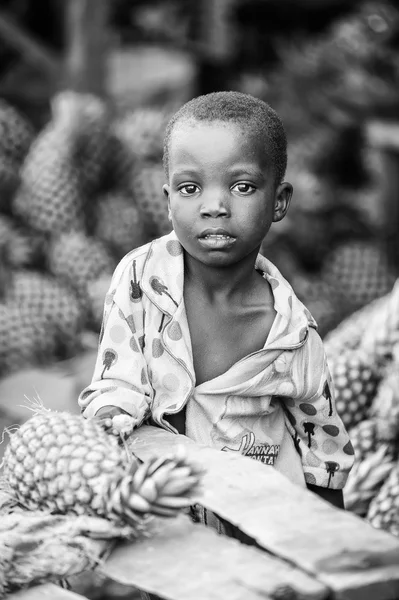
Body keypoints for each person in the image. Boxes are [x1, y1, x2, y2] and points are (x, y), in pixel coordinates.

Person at [79, 91, 354, 513]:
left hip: (262, 516)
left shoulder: (291, 331)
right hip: (165, 520)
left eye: (242, 187)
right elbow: (118, 382)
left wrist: (323, 538)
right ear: (168, 200)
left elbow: (324, 443)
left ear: (278, 201)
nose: (215, 206)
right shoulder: (140, 280)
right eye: (190, 188)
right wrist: (109, 422)